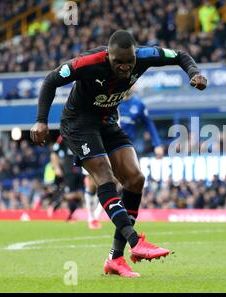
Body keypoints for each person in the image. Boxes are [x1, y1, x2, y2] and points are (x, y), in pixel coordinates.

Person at [30, 30, 207, 278]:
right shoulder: (88, 62)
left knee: (136, 179)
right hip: (78, 124)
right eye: (118, 62)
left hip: (108, 121)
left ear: (135, 55)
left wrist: (194, 73)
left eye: (129, 62)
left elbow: (180, 55)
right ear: (108, 56)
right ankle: (136, 242)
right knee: (105, 176)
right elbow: (50, 80)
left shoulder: (145, 56)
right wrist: (40, 121)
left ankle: (115, 259)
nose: (124, 68)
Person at [84, 89, 165, 230]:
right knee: (93, 183)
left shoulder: (138, 105)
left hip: (123, 148)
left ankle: (96, 217)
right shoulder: (113, 100)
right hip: (103, 143)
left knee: (113, 181)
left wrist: (157, 144)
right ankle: (90, 215)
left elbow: (149, 124)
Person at [47, 135, 84, 222]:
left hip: (82, 168)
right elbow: (54, 152)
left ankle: (59, 203)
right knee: (72, 193)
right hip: (69, 169)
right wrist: (56, 167)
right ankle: (56, 205)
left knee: (79, 194)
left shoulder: (83, 132)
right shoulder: (64, 135)